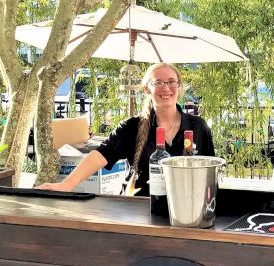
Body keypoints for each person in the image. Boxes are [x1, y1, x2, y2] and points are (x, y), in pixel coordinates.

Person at [39, 63, 215, 196]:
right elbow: (101, 155)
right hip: (141, 209)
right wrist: (67, 184)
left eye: (171, 82)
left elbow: (210, 173)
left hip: (187, 206)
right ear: (147, 89)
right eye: (158, 82)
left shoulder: (197, 127)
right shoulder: (132, 127)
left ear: (179, 87)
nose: (166, 88)